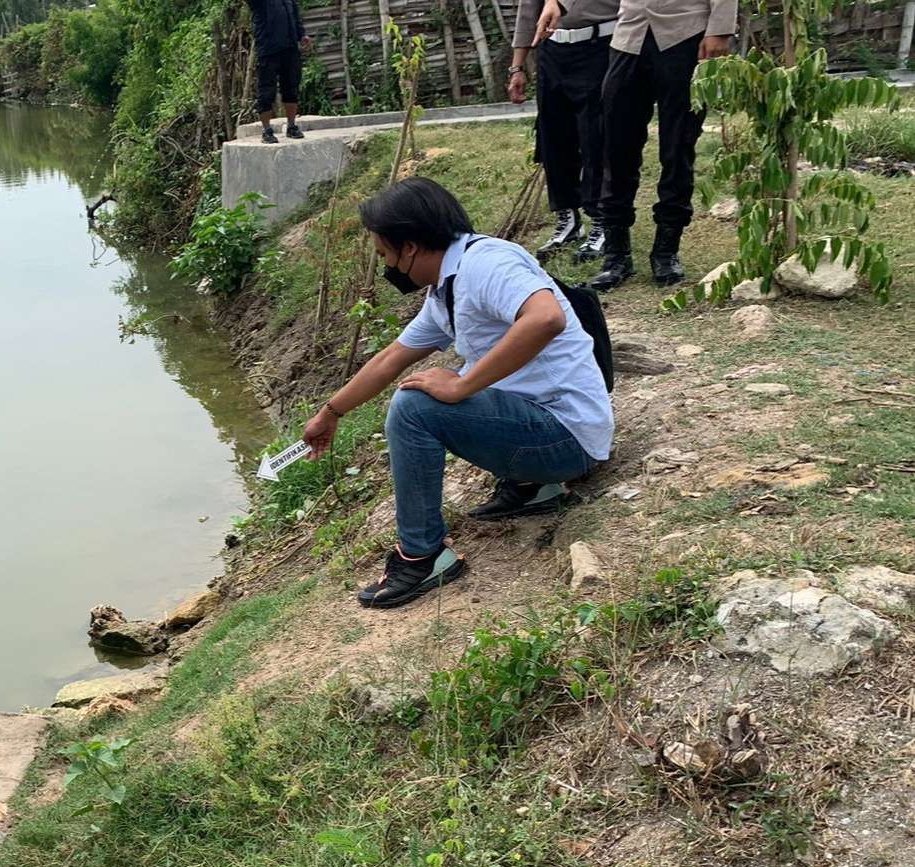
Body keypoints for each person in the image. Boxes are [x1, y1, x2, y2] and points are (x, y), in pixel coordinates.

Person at [302, 178, 613, 610]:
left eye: (383, 254)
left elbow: (546, 319)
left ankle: (423, 556)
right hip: (549, 431)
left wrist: (464, 385)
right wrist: (331, 412)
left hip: (566, 438)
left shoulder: (486, 264)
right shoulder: (447, 289)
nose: (384, 265)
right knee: (432, 385)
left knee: (414, 406)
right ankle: (533, 487)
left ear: (408, 247)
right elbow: (392, 358)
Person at [535, 0, 736, 290]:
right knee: (616, 147)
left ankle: (666, 252)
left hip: (686, 34)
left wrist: (720, 30)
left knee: (678, 147)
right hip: (628, 36)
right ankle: (616, 257)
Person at [509, 0, 620, 262]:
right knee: (553, 137)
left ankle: (601, 220)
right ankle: (567, 218)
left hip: (599, 47)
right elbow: (528, 9)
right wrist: (517, 66)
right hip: (552, 50)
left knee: (596, 137)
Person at [247, 0, 313, 144]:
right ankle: (266, 130)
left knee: (291, 88)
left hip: (290, 48)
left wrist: (302, 35)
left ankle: (291, 126)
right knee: (266, 92)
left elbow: (295, 15)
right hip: (268, 50)